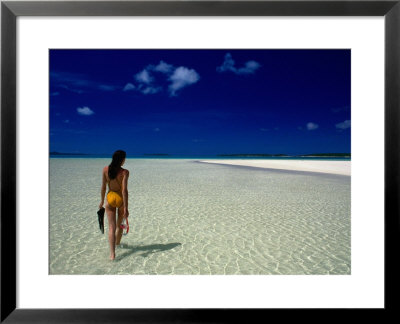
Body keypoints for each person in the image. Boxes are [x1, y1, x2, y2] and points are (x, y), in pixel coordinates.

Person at [99, 150, 130, 260]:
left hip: (110, 198)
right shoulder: (124, 172)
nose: (125, 160)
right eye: (124, 159)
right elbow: (124, 191)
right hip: (120, 200)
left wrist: (102, 201)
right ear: (121, 159)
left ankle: (112, 254)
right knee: (120, 226)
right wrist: (126, 207)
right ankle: (117, 244)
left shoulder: (105, 170)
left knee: (111, 227)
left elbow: (103, 187)